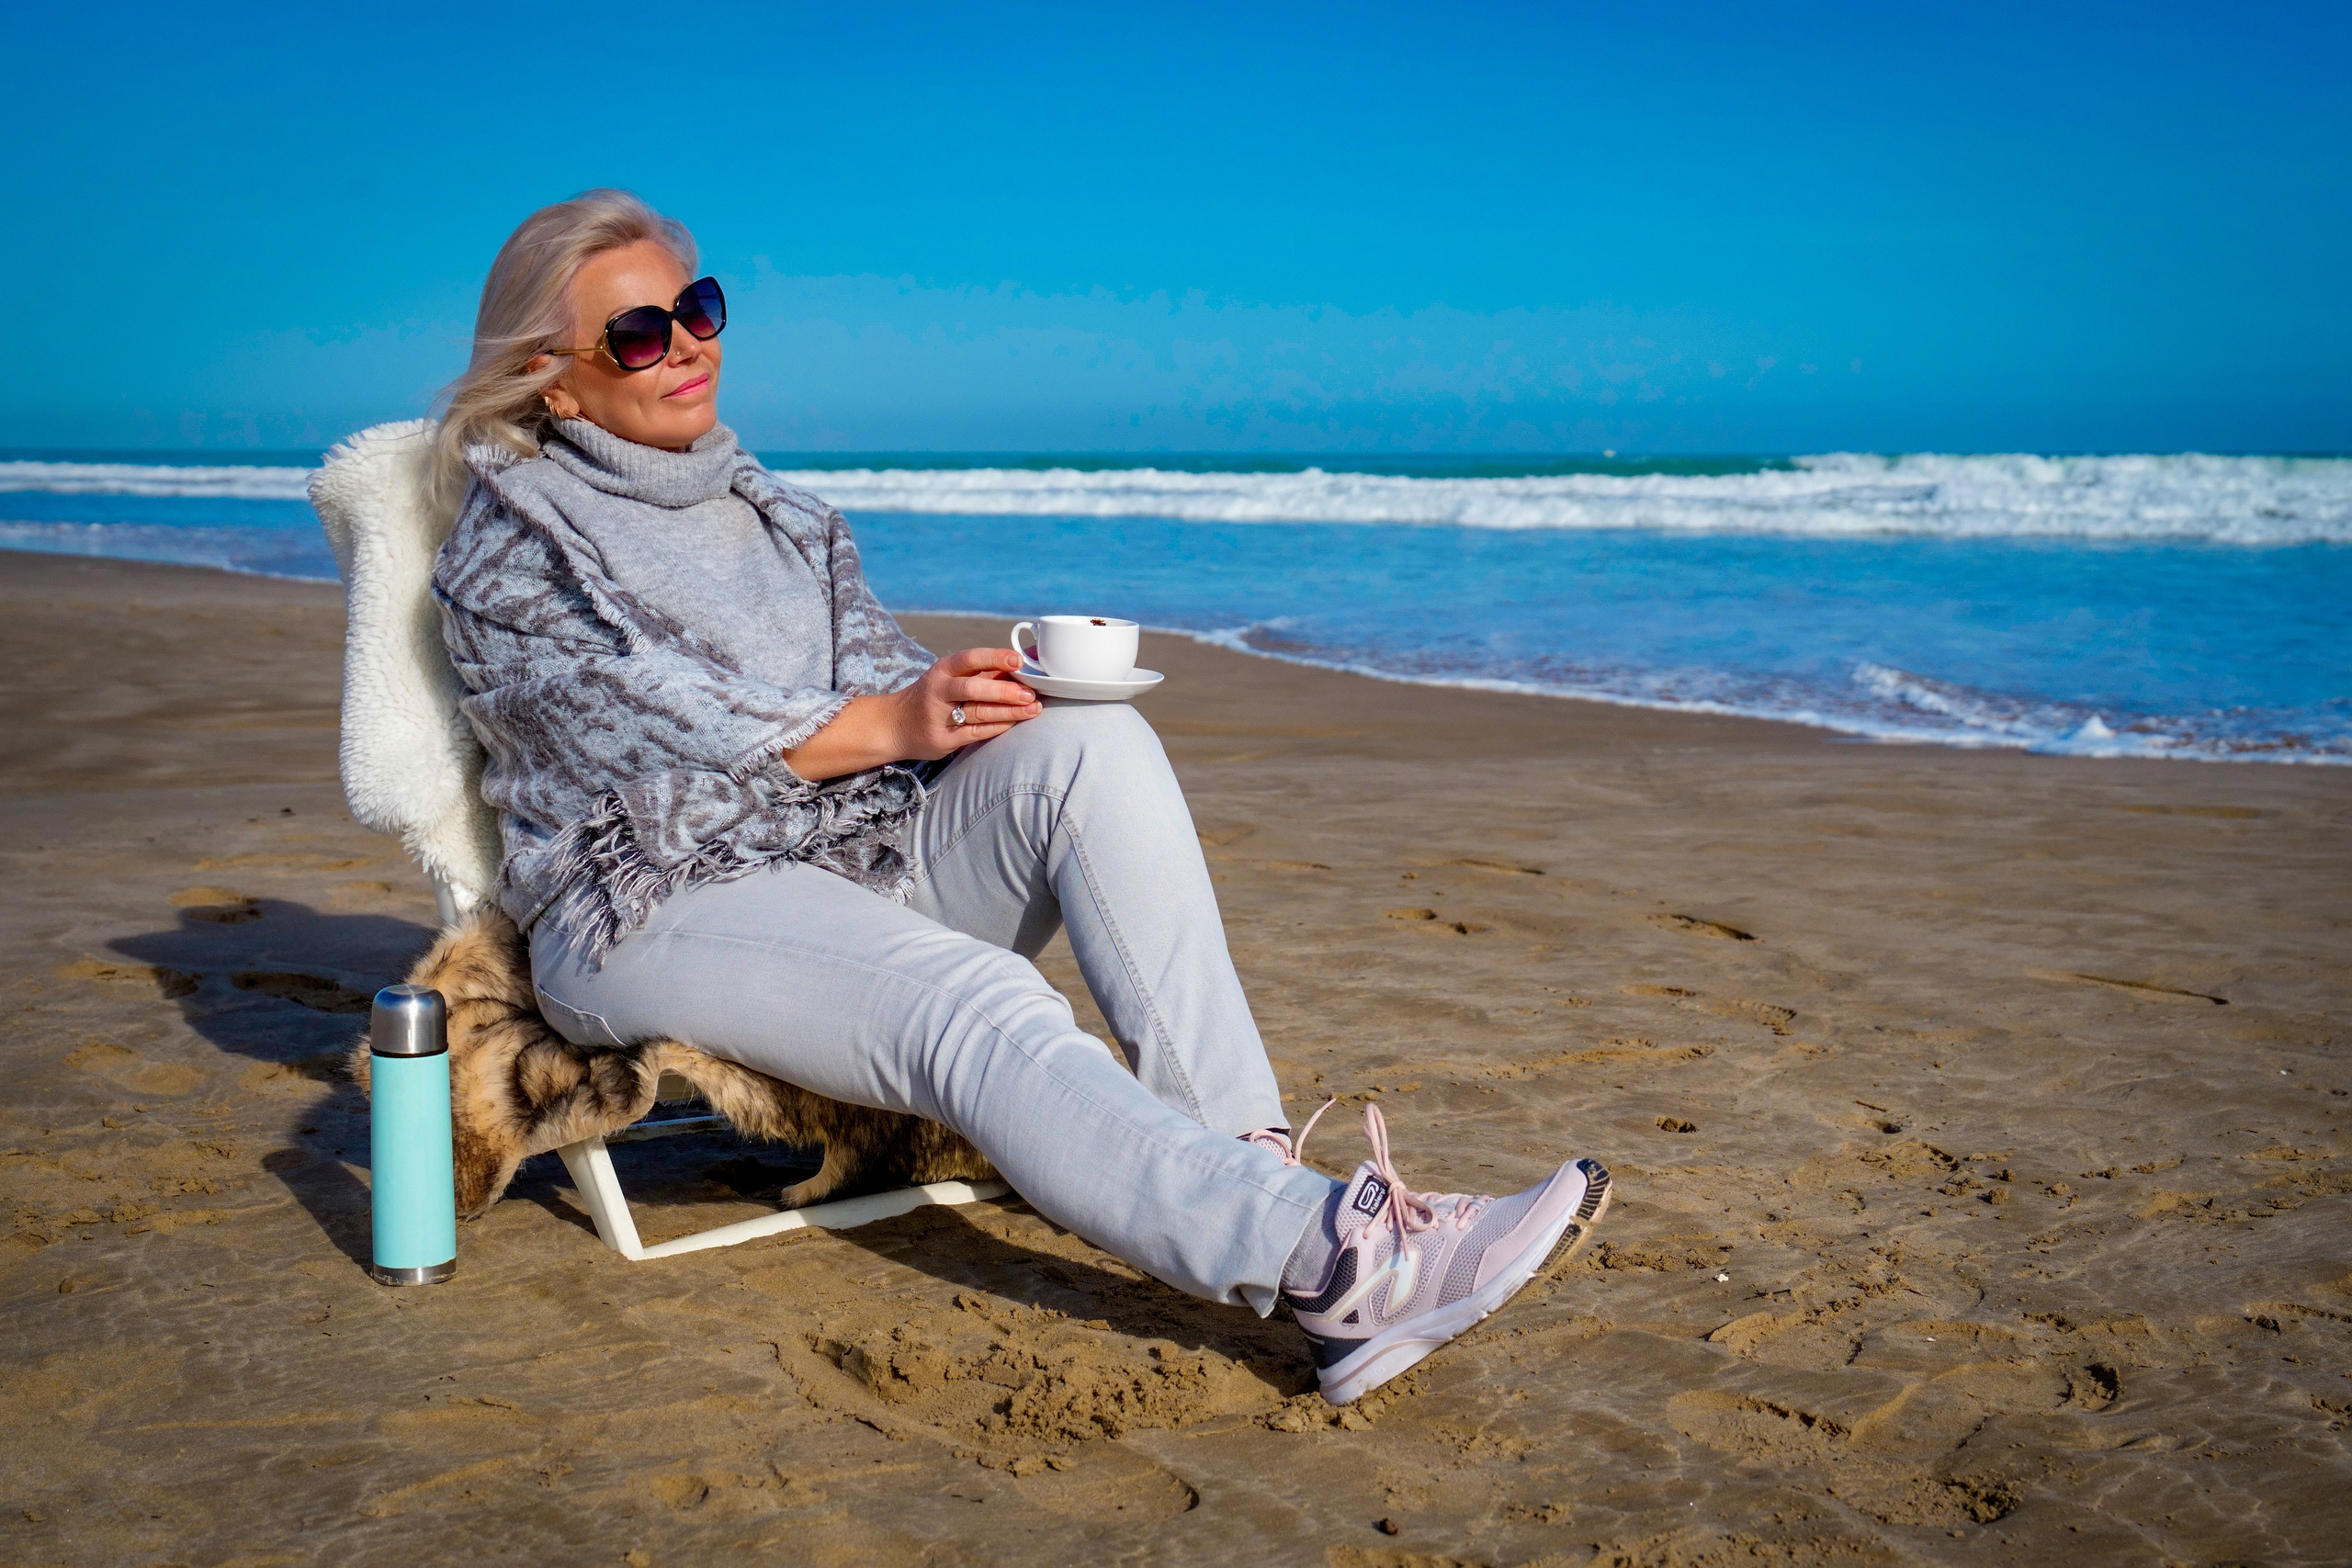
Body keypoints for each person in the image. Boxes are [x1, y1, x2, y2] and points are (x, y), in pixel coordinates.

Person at [428, 189, 1612, 1404]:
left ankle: (1240, 1156)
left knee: (1095, 743)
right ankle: (1328, 1263)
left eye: (699, 308)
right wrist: (887, 724)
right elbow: (635, 722)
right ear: (553, 383)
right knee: (981, 996)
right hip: (650, 900)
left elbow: (867, 672)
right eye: (638, 334)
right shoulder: (511, 552)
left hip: (845, 847)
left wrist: (966, 693)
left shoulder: (767, 511)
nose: (685, 344)